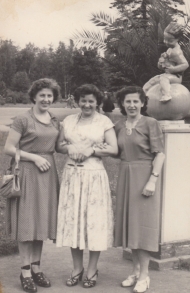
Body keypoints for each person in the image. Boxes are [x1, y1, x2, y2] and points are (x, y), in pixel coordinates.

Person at [56, 84, 118, 288]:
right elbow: (59, 145)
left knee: (93, 222)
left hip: (94, 177)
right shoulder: (69, 120)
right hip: (72, 176)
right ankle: (77, 269)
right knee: (74, 222)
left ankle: (92, 270)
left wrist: (91, 151)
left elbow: (113, 148)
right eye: (83, 100)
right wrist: (70, 147)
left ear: (98, 102)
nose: (87, 104)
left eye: (91, 100)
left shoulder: (104, 121)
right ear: (77, 101)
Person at [4, 78, 61, 293]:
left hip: (48, 175)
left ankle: (37, 268)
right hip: (28, 172)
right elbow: (9, 148)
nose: (46, 99)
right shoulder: (23, 119)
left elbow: (59, 146)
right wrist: (34, 158)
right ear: (34, 96)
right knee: (28, 224)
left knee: (41, 224)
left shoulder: (55, 120)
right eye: (42, 95)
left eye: (49, 95)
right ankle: (25, 271)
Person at [114, 86, 165, 293]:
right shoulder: (118, 125)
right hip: (125, 176)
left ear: (143, 103)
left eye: (136, 101)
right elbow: (115, 151)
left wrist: (152, 180)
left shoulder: (151, 123)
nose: (132, 105)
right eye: (128, 101)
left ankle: (145, 275)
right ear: (122, 104)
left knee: (142, 229)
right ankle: (135, 271)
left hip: (145, 176)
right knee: (130, 227)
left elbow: (160, 154)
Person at [143, 22, 189, 102]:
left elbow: (185, 64)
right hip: (167, 75)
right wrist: (161, 62)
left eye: (170, 40)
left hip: (176, 78)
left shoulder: (176, 52)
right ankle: (144, 94)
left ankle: (167, 95)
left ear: (178, 39)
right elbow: (161, 68)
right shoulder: (169, 50)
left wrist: (173, 69)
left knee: (163, 78)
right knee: (154, 80)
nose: (166, 42)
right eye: (165, 39)